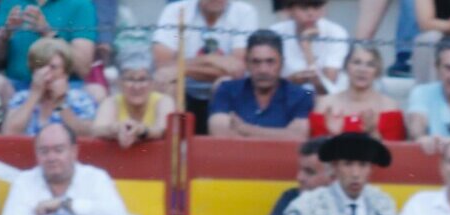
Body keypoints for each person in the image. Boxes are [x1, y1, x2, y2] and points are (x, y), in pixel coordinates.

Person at [257, 132, 413, 215]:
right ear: (334, 167)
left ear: (371, 169)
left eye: (363, 165)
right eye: (348, 164)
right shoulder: (309, 205)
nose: (355, 174)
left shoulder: (382, 204)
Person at [0, 122, 128, 215]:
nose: (51, 157)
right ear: (36, 153)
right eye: (44, 151)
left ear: (74, 151)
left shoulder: (95, 177)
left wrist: (65, 204)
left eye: (58, 150)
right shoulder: (25, 180)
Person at [152, 0, 256, 135]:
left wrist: (183, 68)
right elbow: (162, 64)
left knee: (224, 83)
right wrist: (212, 59)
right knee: (166, 82)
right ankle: (173, 147)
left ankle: (220, 150)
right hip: (185, 89)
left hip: (220, 88)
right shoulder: (176, 11)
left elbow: (238, 69)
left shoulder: (244, 12)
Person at [0, 0, 98, 104]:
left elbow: (83, 68)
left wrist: (48, 33)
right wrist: (4, 34)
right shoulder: (10, 2)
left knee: (96, 92)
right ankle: (13, 125)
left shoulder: (81, 4)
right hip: (16, 88)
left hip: (63, 88)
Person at [208, 30, 313, 139]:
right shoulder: (226, 89)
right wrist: (279, 135)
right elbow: (220, 133)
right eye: (256, 62)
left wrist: (245, 128)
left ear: (282, 63)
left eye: (270, 62)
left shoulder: (302, 95)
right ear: (247, 63)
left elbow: (298, 137)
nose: (263, 70)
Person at [2, 36, 96, 137]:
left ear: (65, 72)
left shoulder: (80, 98)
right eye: (41, 66)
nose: (46, 74)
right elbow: (9, 133)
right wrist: (34, 95)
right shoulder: (21, 98)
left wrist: (60, 102)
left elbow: (87, 135)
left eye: (53, 67)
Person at [310, 44, 405, 140]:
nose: (362, 70)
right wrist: (333, 134)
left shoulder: (389, 106)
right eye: (356, 62)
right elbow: (314, 151)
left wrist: (372, 133)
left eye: (370, 65)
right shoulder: (325, 104)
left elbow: (394, 152)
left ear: (377, 71)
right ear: (346, 67)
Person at [255, 136, 332, 215]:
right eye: (300, 170)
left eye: (309, 172)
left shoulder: (352, 204)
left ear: (334, 177)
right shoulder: (292, 197)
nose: (299, 178)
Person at [92, 49, 174, 148]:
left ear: (152, 82)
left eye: (142, 79)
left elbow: (164, 130)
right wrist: (116, 128)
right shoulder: (111, 102)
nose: (136, 87)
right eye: (130, 79)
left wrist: (141, 131)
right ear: (119, 82)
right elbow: (97, 130)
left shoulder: (164, 101)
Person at [269, 0, 349, 94]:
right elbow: (268, 81)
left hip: (326, 100)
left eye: (316, 7)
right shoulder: (275, 32)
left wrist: (307, 49)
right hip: (286, 96)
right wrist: (293, 80)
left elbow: (328, 85)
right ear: (289, 10)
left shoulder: (336, 33)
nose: (311, 14)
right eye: (304, 8)